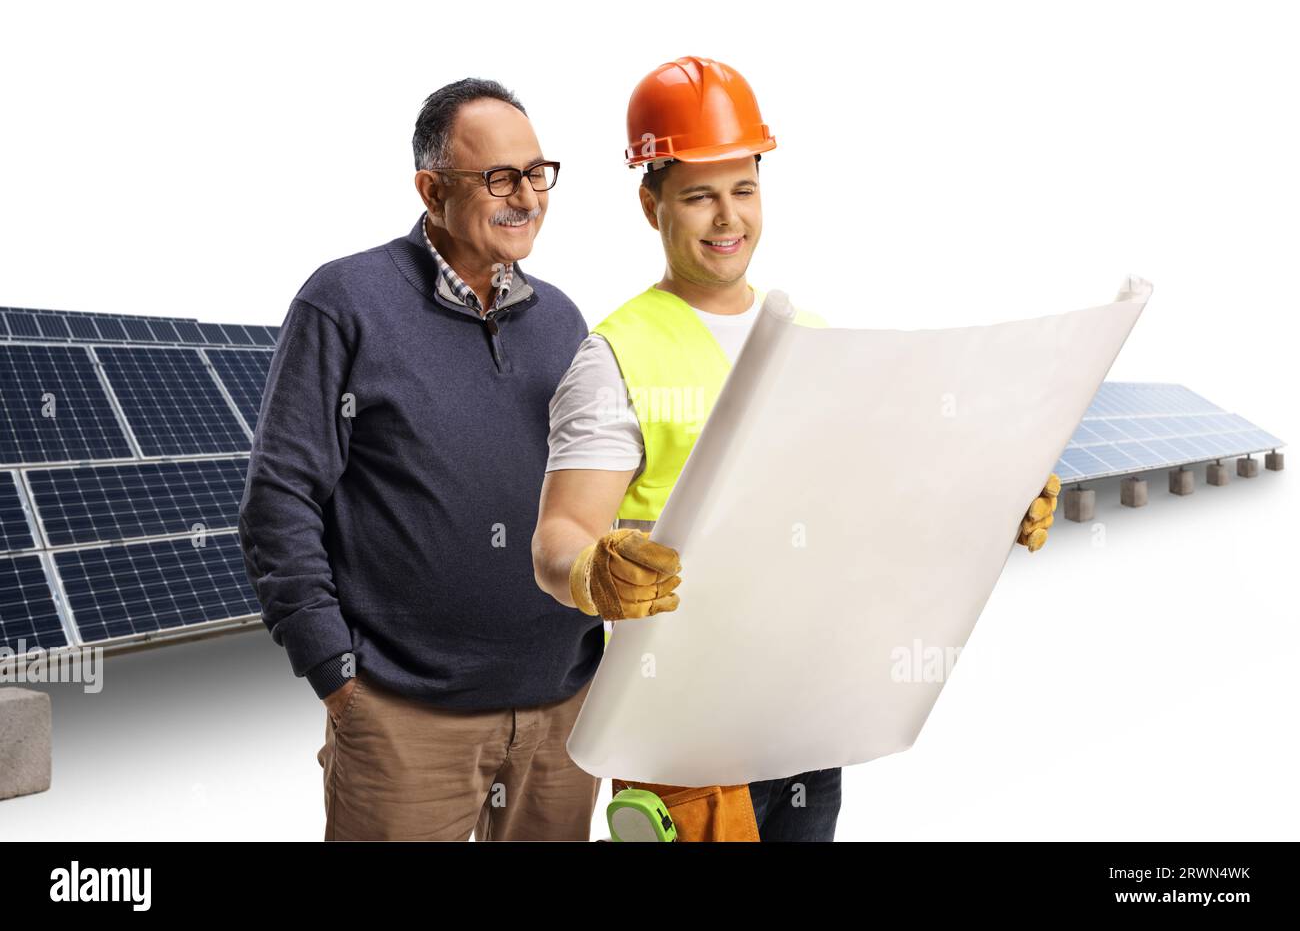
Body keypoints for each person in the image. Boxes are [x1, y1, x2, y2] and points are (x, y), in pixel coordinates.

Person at [532, 56, 1061, 842]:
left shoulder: (810, 338)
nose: (727, 218)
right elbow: (556, 537)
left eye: (743, 189)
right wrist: (589, 570)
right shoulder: (617, 356)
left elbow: (877, 498)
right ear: (651, 203)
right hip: (687, 734)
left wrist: (995, 492)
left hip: (809, 716)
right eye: (699, 196)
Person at [239, 77, 604, 840]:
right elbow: (280, 499)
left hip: (562, 715)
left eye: (538, 173)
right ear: (430, 189)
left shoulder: (564, 319)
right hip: (405, 722)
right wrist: (337, 676)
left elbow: (588, 493)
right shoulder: (345, 302)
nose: (527, 197)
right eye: (499, 177)